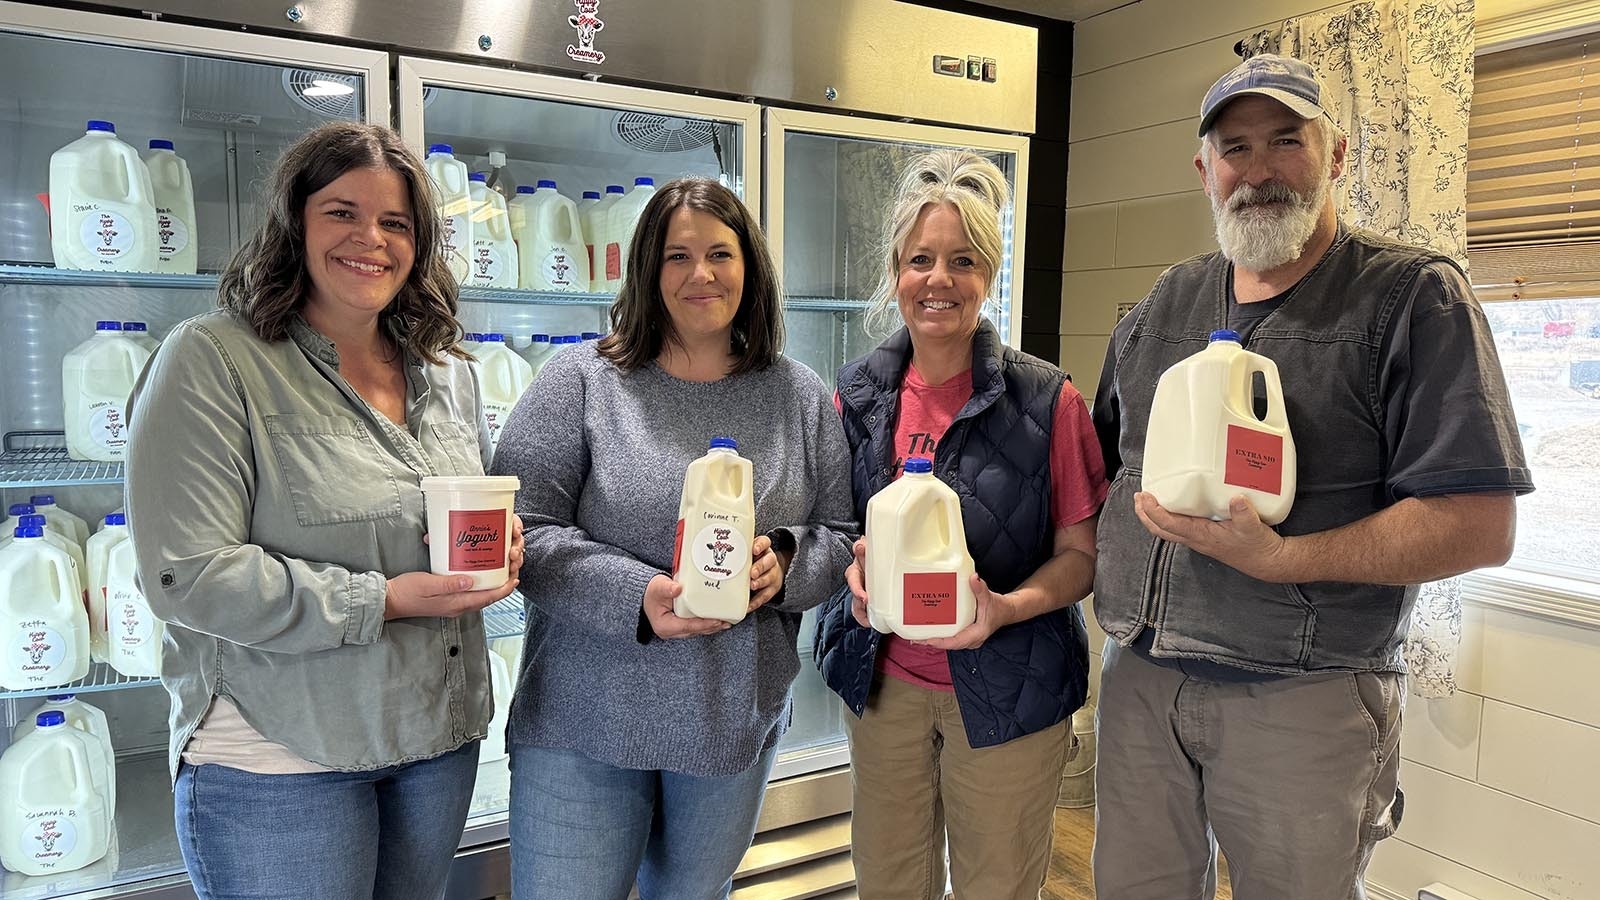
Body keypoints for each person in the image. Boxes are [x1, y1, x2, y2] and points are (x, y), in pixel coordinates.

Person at [1089, 53, 1534, 899]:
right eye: (1236, 148)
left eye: (1285, 140)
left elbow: (1480, 521)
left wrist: (1282, 559)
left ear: (1335, 154)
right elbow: (1111, 469)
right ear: (1205, 170)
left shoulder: (1410, 299)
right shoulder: (1167, 303)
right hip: (1142, 676)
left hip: (1302, 698)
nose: (1258, 171)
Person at [125, 121, 522, 900]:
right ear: (294, 224)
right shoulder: (213, 360)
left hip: (435, 742)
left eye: (396, 222)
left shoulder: (447, 373)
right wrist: (382, 601)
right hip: (281, 754)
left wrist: (504, 545)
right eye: (342, 212)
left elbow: (464, 506)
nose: (370, 238)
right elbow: (190, 575)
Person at [490, 177, 856, 899]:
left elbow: (842, 535)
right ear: (647, 271)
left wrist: (783, 562)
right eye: (677, 256)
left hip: (726, 727)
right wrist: (638, 595)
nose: (700, 274)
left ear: (749, 267)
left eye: (719, 253)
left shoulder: (798, 396)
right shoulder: (582, 382)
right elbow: (522, 531)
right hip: (582, 722)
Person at [813, 148, 1107, 900]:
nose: (938, 280)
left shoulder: (1048, 401)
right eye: (920, 259)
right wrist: (851, 575)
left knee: (997, 887)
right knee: (889, 884)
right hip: (886, 691)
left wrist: (1006, 608)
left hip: (1009, 689)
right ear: (895, 272)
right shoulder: (857, 396)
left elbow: (1082, 553)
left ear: (989, 275)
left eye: (963, 260)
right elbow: (837, 529)